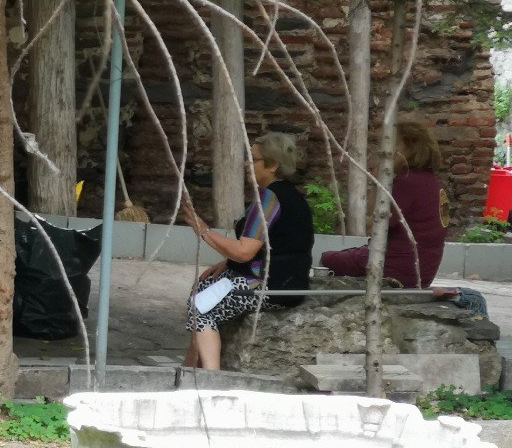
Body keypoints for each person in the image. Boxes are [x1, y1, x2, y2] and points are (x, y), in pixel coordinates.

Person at [180, 131, 314, 370]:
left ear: (272, 165)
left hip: (269, 285)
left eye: (253, 159)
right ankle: (190, 368)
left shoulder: (269, 198)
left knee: (201, 310)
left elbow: (244, 252)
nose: (246, 164)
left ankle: (211, 379)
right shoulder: (288, 195)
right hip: (285, 280)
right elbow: (272, 246)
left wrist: (204, 231)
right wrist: (228, 264)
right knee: (202, 287)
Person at [320, 120, 447, 288]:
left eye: (392, 146)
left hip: (399, 267)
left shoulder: (408, 182)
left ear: (410, 148)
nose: (384, 152)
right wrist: (378, 180)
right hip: (421, 269)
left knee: (327, 259)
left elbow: (373, 225)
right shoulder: (431, 182)